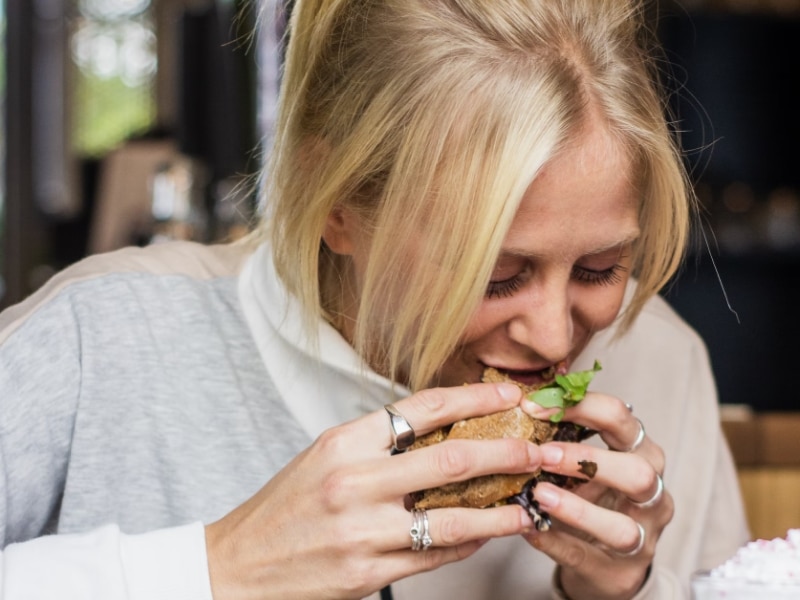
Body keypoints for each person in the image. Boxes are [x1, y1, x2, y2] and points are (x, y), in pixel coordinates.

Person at [0, 0, 749, 598]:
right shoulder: (95, 342)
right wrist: (216, 569)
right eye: (493, 276)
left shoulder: (664, 360)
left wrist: (630, 590)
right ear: (335, 202)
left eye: (600, 269)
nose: (556, 338)